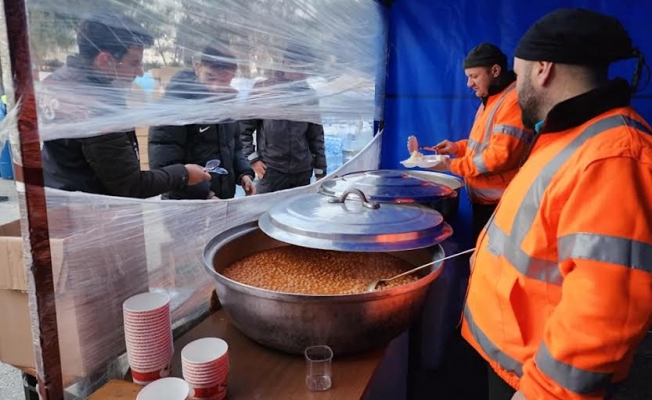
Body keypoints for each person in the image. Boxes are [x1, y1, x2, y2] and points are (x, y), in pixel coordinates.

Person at [461, 8, 652, 400]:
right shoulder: (567, 134)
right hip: (513, 356)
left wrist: (544, 393)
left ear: (543, 69)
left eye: (520, 73)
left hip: (533, 379)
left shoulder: (616, 155)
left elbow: (603, 313)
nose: (516, 89)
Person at [39, 11, 210, 198]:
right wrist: (183, 174)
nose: (140, 72)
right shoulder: (97, 106)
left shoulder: (57, 81)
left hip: (58, 192)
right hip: (89, 210)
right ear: (105, 60)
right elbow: (131, 185)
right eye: (134, 62)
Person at [428, 43, 532, 241]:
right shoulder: (491, 99)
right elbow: (484, 144)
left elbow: (500, 157)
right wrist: (456, 148)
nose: (469, 84)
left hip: (501, 205)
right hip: (486, 203)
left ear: (494, 71)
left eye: (474, 76)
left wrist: (452, 165)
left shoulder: (513, 102)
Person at [148, 45, 256, 199]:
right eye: (210, 77)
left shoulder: (226, 105)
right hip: (185, 203)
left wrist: (244, 174)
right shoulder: (173, 106)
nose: (216, 87)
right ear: (198, 67)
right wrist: (205, 194)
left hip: (222, 198)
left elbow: (235, 147)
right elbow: (165, 164)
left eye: (224, 79)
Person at [240, 44, 326, 193]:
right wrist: (253, 160)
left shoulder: (309, 96)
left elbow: (316, 136)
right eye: (298, 67)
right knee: (264, 213)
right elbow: (242, 130)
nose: (302, 73)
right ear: (285, 63)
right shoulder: (264, 90)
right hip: (271, 171)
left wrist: (320, 172)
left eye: (306, 68)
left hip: (302, 172)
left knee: (297, 213)